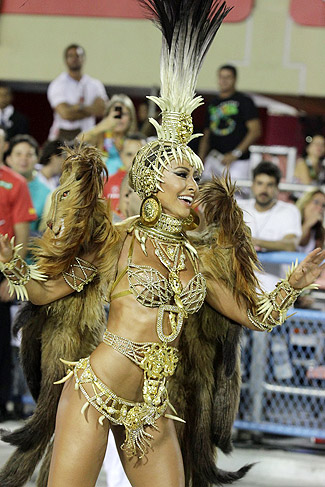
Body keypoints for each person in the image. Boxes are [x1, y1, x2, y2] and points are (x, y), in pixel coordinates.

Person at [0, 2, 324, 487]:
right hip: (94, 391)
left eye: (196, 174)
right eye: (182, 174)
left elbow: (254, 316)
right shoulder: (119, 243)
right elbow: (50, 293)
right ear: (152, 182)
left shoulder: (197, 258)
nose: (194, 183)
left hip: (154, 407)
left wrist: (295, 283)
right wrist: (15, 271)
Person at [0, 128, 36, 422]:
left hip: (1, 270)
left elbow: (22, 234)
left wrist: (11, 277)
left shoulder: (15, 183)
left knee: (1, 343)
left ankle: (1, 403)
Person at [199, 64, 261, 181]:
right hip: (214, 157)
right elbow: (207, 133)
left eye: (228, 77)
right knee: (206, 191)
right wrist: (201, 158)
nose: (224, 81)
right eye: (221, 77)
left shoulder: (244, 101)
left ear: (235, 79)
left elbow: (255, 131)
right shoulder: (213, 103)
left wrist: (236, 153)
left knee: (235, 194)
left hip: (238, 161)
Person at [47, 44, 108, 142]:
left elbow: (102, 110)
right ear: (65, 60)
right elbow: (65, 114)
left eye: (78, 55)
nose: (74, 59)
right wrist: (91, 109)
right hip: (62, 138)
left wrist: (78, 107)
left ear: (83, 59)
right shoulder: (57, 84)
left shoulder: (95, 84)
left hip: (88, 137)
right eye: (71, 56)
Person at [239, 161, 302, 252]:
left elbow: (291, 245)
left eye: (270, 185)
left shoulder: (289, 210)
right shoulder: (239, 207)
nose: (264, 189)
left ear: (277, 188)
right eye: (260, 183)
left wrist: (255, 242)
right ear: (252, 185)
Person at [79, 94, 137, 176]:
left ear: (131, 118)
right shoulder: (100, 137)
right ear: (108, 115)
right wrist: (104, 125)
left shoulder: (134, 142)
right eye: (116, 114)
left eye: (124, 114)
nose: (119, 118)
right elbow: (78, 142)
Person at [5, 134, 50, 235]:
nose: (23, 159)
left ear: (38, 159)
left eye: (29, 155)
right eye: (18, 154)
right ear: (8, 159)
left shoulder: (48, 193)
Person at [102, 133, 146, 213]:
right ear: (121, 155)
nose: (134, 160)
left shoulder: (156, 186)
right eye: (129, 154)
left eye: (139, 155)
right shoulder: (105, 183)